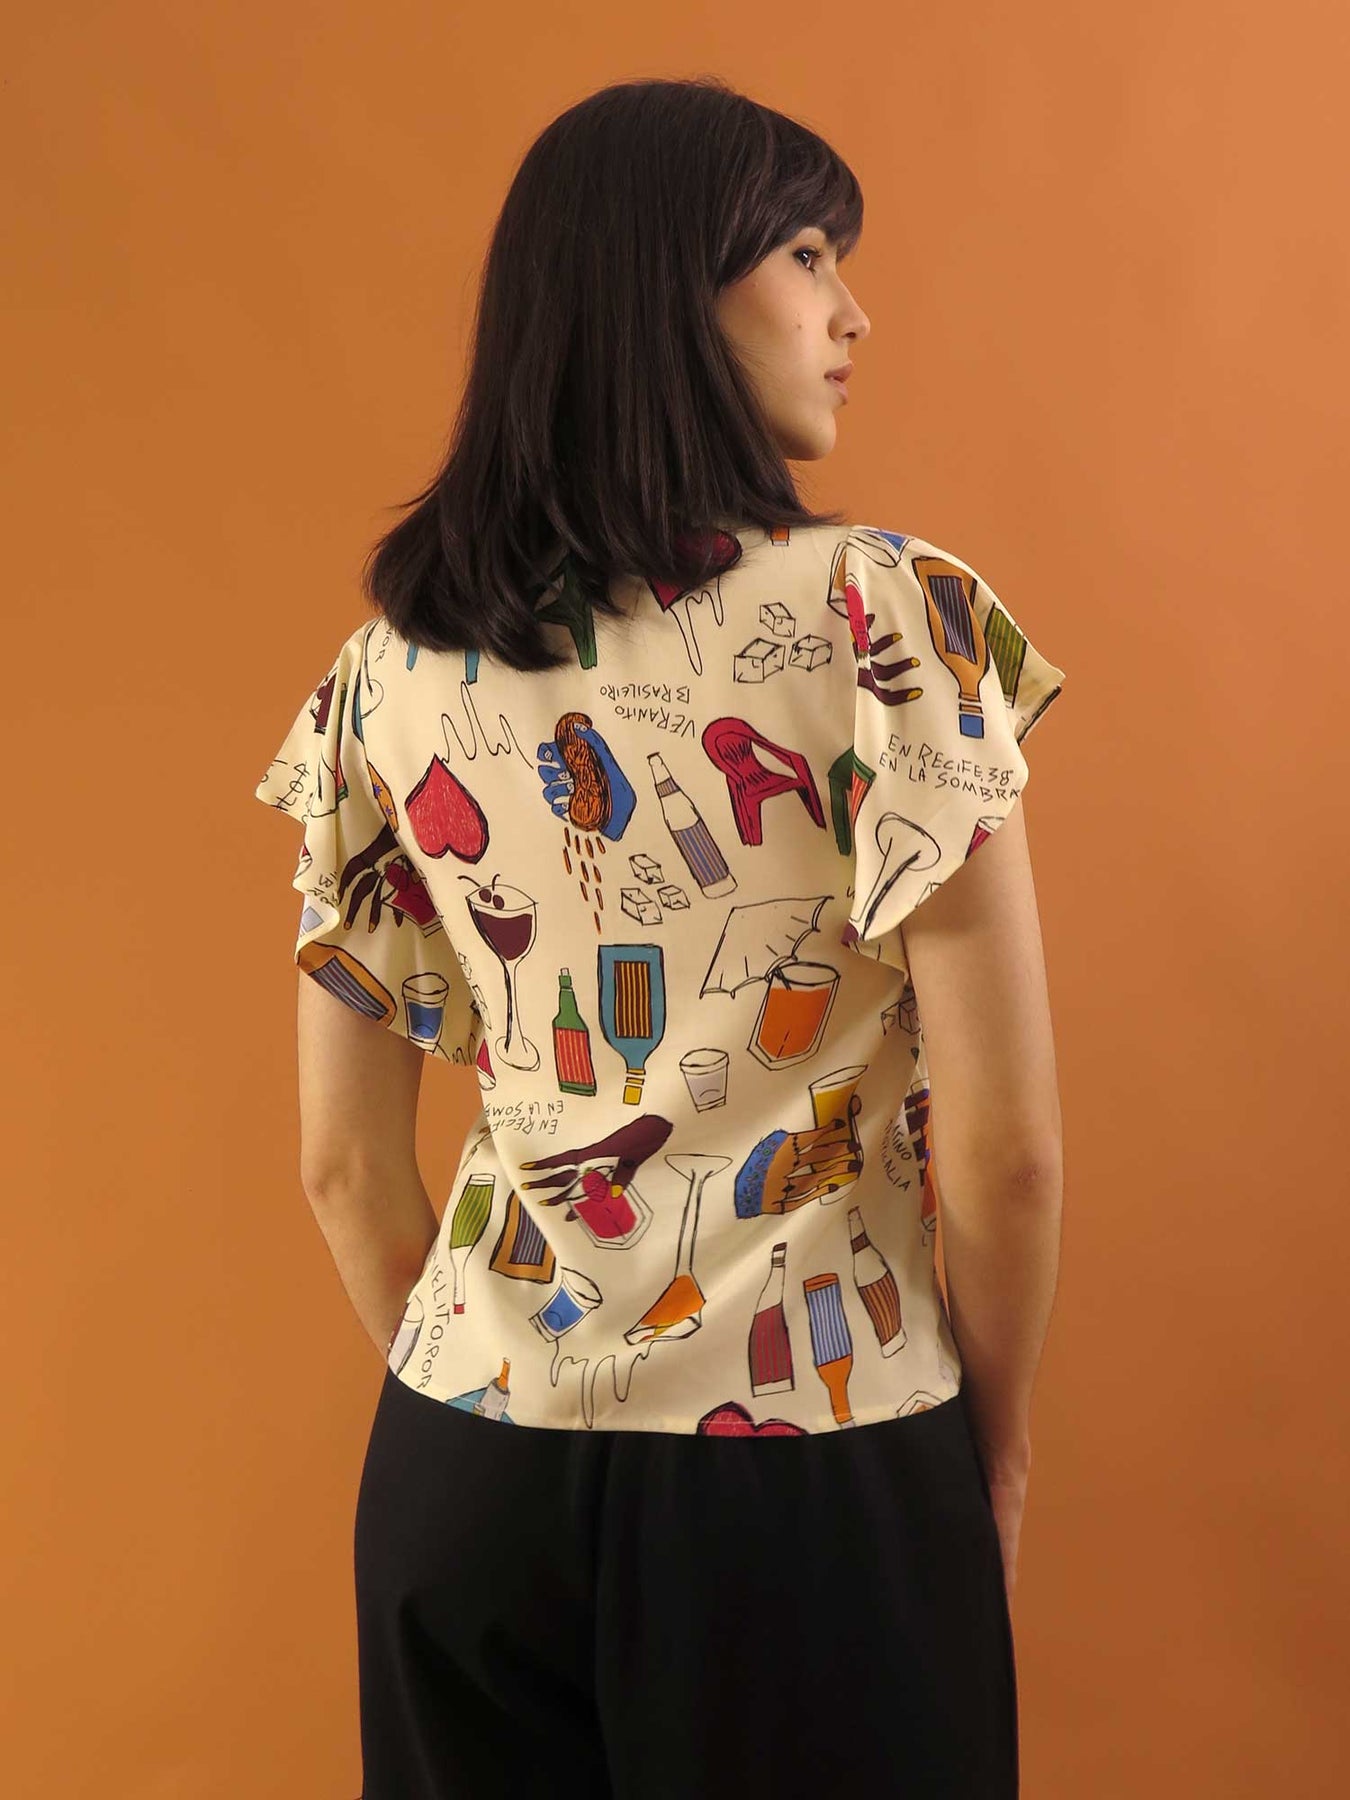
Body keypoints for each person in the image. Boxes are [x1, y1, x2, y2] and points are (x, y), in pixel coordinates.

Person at [252, 75, 1065, 1800]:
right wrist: (987, 1459)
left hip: (466, 1467)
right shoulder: (883, 618)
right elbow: (1004, 1156)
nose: (849, 312)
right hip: (816, 1466)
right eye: (804, 253)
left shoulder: (386, 673)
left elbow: (343, 1165)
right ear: (668, 290)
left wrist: (495, 1401)